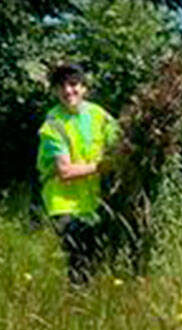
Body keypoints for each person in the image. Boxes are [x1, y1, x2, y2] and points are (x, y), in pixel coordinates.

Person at [36, 63, 120, 285]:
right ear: (55, 91)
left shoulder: (98, 114)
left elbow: (120, 141)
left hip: (92, 200)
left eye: (73, 85)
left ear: (84, 88)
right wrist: (101, 167)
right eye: (61, 87)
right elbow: (64, 171)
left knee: (96, 259)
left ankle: (86, 304)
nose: (68, 91)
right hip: (63, 203)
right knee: (79, 261)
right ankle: (77, 307)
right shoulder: (53, 124)